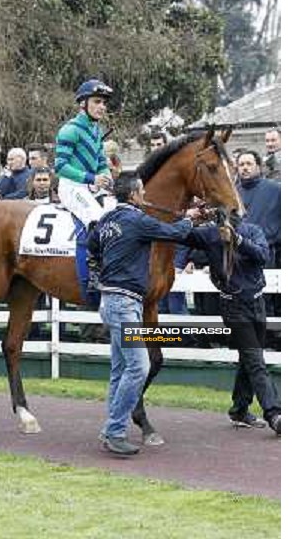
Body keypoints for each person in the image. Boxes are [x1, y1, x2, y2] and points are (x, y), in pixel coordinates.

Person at [89, 171, 202, 456]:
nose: (145, 197)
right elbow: (175, 233)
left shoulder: (107, 220)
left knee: (119, 370)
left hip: (110, 301)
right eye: (141, 192)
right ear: (134, 195)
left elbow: (92, 244)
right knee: (140, 367)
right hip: (125, 304)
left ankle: (112, 429)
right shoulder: (137, 220)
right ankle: (114, 430)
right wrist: (189, 218)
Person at [180, 216, 281, 436]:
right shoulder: (209, 234)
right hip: (232, 306)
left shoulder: (253, 231)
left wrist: (237, 239)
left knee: (249, 359)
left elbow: (263, 256)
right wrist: (190, 218)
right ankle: (274, 413)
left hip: (257, 303)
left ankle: (239, 410)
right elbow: (180, 234)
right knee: (255, 360)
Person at [236, 150, 281, 347]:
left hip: (266, 253)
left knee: (268, 300)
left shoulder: (275, 189)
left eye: (249, 163)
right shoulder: (232, 190)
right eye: (241, 164)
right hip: (237, 256)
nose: (245, 168)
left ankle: (272, 341)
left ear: (258, 166)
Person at [54, 78, 114, 227]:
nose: (102, 107)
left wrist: (107, 176)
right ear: (83, 103)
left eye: (104, 103)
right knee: (100, 223)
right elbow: (60, 167)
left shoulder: (97, 131)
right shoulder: (70, 130)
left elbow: (101, 162)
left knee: (119, 216)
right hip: (71, 187)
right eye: (97, 101)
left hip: (93, 187)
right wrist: (91, 178)